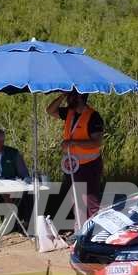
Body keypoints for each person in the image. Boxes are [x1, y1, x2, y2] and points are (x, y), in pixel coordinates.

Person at [46, 91, 105, 224]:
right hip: (72, 166)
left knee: (91, 202)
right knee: (75, 200)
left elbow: (97, 142)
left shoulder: (93, 116)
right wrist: (62, 95)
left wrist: (73, 142)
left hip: (89, 165)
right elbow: (50, 111)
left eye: (71, 95)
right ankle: (80, 228)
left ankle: (95, 229)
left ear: (80, 97)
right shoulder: (70, 112)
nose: (68, 98)